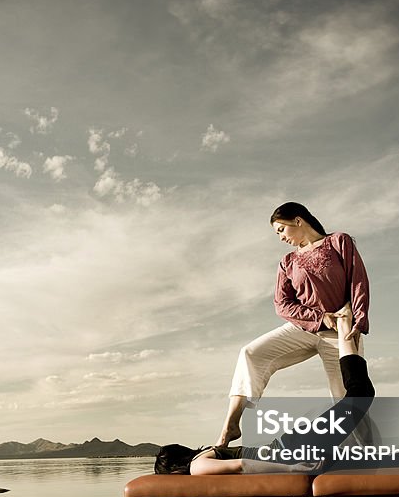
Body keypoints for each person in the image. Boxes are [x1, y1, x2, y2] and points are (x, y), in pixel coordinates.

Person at [216, 202, 370, 447]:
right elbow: (282, 304)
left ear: (298, 221)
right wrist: (320, 318)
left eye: (280, 230)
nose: (280, 237)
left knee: (346, 398)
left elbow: (358, 281)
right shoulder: (287, 261)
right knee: (251, 354)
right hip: (304, 328)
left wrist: (358, 320)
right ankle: (230, 426)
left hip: (340, 331)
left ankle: (368, 452)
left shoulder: (339, 242)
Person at [155, 305, 375, 475]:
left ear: (174, 470)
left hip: (289, 452)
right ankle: (345, 328)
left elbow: (241, 465)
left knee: (359, 396)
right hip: (288, 447)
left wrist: (294, 469)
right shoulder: (205, 455)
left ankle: (344, 325)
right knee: (359, 396)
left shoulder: (197, 466)